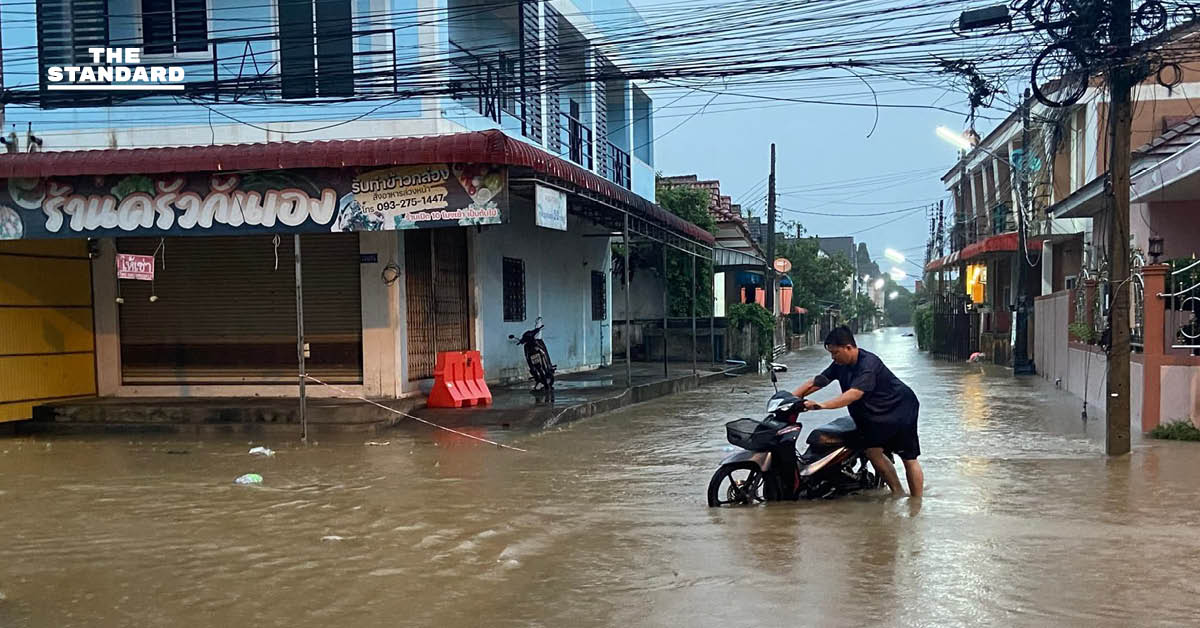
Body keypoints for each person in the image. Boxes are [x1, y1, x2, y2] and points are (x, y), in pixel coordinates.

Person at [792, 326, 924, 497]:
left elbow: (853, 394)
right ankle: (898, 493)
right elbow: (818, 381)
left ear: (849, 347)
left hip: (900, 409)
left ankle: (917, 502)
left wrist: (822, 405)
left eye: (836, 353)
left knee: (908, 458)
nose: (833, 357)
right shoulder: (840, 364)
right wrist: (790, 399)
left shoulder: (868, 364)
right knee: (872, 453)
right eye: (831, 354)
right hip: (872, 414)